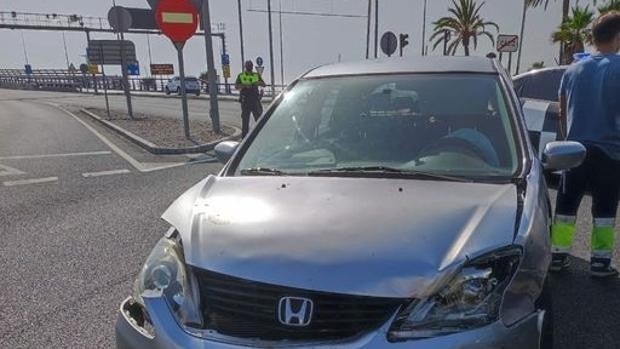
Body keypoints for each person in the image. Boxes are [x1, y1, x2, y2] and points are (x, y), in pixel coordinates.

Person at [550, 12, 620, 278]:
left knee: (566, 206)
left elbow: (562, 112)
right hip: (609, 151)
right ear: (617, 36)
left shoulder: (573, 70)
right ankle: (600, 263)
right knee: (604, 209)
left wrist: (568, 139)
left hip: (574, 150)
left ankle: (557, 255)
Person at [235, 60, 266, 138]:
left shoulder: (255, 75)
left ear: (252, 67)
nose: (250, 67)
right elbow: (236, 86)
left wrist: (257, 83)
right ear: (245, 66)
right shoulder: (241, 75)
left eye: (251, 65)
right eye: (248, 65)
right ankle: (244, 140)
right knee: (245, 122)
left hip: (254, 100)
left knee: (258, 120)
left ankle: (261, 136)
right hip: (245, 101)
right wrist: (245, 85)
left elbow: (263, 84)